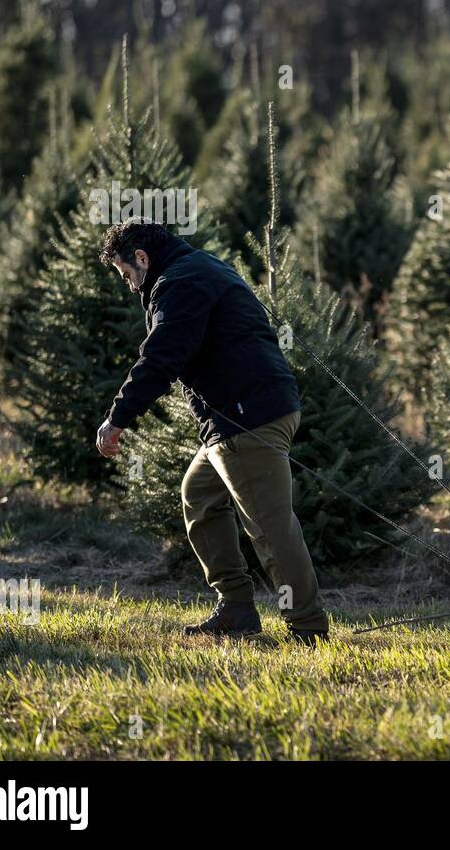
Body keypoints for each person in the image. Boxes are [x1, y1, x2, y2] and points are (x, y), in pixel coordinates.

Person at [95, 219, 329, 644]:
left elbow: (161, 357)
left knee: (270, 529)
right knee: (199, 494)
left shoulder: (178, 283)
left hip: (246, 417)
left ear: (142, 258)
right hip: (253, 410)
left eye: (127, 275)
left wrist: (118, 419)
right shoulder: (203, 266)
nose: (129, 286)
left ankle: (307, 628)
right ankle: (237, 608)